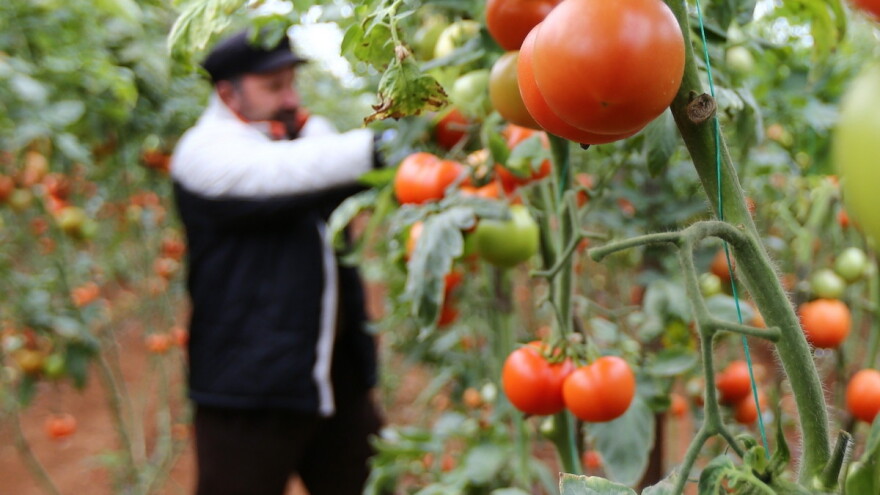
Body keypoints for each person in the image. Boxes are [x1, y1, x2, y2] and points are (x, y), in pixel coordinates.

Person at [170, 28, 384, 495]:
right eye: (273, 87)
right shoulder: (204, 153)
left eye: (292, 83)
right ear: (228, 92)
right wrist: (386, 144)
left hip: (335, 381)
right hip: (248, 391)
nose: (290, 98)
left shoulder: (301, 136)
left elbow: (318, 157)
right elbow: (288, 174)